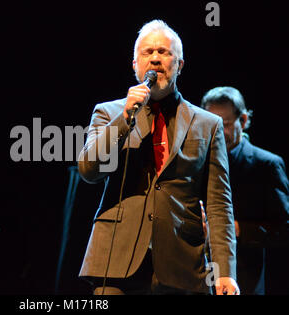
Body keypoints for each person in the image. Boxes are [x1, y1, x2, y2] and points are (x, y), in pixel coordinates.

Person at [78, 20, 239, 295]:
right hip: (116, 262)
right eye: (147, 52)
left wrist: (224, 272)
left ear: (180, 64)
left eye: (164, 52)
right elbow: (89, 170)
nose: (155, 58)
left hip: (181, 266)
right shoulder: (108, 113)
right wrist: (125, 118)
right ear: (134, 64)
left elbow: (218, 204)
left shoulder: (208, 124)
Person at [201, 86, 289, 295]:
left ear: (244, 120)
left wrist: (239, 228)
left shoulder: (267, 164)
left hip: (245, 277)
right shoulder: (197, 161)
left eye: (226, 124)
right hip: (200, 276)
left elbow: (285, 229)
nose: (218, 132)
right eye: (211, 125)